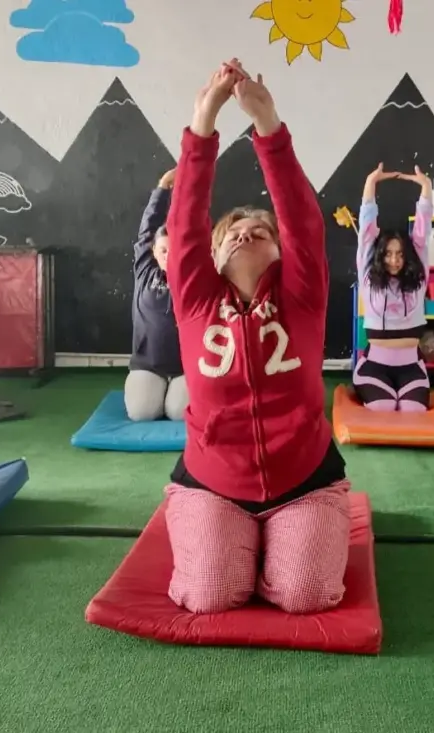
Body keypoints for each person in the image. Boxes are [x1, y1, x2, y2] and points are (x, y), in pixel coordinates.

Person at [163, 59, 350, 615]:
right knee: (210, 594)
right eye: (233, 233)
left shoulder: (302, 295)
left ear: (281, 250)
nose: (246, 234)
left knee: (306, 594)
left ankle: (280, 545)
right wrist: (204, 120)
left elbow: (302, 220)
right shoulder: (196, 299)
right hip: (212, 481)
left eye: (261, 231)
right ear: (213, 256)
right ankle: (234, 543)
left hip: (305, 479)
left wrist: (267, 123)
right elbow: (185, 224)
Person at [352, 163, 433, 412]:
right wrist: (371, 183)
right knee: (382, 406)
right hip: (375, 366)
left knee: (413, 410)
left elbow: (423, 229)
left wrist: (426, 187)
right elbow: (367, 229)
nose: (394, 260)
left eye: (400, 254)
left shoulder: (419, 276)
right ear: (379, 255)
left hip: (411, 367)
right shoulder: (368, 275)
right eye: (387, 253)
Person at [125, 168, 188, 421]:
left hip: (186, 367)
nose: (168, 256)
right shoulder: (145, 271)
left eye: (175, 251)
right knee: (142, 413)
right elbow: (147, 231)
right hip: (148, 365)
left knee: (178, 413)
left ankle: (174, 392)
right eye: (163, 250)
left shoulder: (196, 277)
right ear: (154, 251)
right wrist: (163, 188)